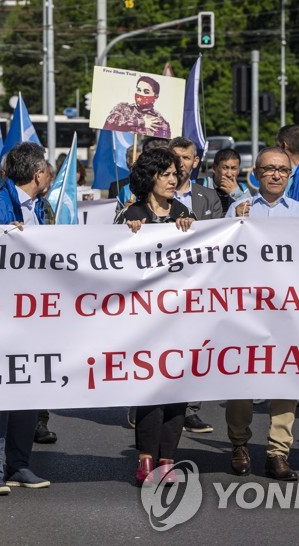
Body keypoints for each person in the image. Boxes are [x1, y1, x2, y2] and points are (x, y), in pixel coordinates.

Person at [0, 143, 54, 496]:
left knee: (27, 392)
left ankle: (19, 464)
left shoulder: (43, 208)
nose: (49, 175)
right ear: (38, 175)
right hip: (0, 316)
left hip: (34, 316)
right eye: (47, 170)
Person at [225, 147, 299, 481]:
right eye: (270, 169)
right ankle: (239, 444)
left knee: (285, 380)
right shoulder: (237, 209)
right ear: (256, 173)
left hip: (287, 311)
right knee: (239, 381)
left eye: (283, 170)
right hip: (245, 310)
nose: (277, 175)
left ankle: (278, 452)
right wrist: (237, 226)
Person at [115, 148, 194, 484]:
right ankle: (145, 460)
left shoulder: (184, 212)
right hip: (144, 321)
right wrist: (128, 234)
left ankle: (167, 460)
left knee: (177, 392)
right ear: (150, 178)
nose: (174, 180)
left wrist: (190, 230)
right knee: (150, 389)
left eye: (175, 173)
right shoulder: (130, 214)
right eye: (166, 174)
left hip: (180, 319)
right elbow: (112, 260)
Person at [167, 137, 222, 434]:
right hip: (165, 286)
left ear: (195, 161)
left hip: (201, 285)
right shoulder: (155, 194)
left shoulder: (208, 197)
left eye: (186, 158)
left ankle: (190, 409)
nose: (180, 163)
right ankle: (147, 404)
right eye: (175, 157)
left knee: (196, 347)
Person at [103, 75, 171, 138]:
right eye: (139, 90)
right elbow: (109, 124)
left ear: (155, 97)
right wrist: (140, 122)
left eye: (146, 92)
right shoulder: (122, 108)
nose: (140, 94)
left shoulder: (160, 122)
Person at [201, 147, 245, 214]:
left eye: (233, 168)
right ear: (214, 168)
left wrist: (235, 193)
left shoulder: (243, 189)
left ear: (238, 170)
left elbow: (252, 212)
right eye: (225, 168)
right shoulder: (199, 185)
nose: (229, 174)